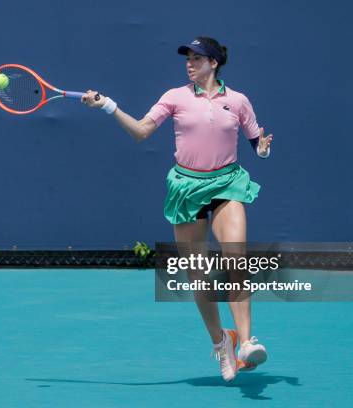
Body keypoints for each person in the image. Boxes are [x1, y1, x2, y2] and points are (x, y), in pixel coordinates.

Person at [81, 37, 273, 382]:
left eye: (197, 58)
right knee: (197, 273)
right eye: (187, 58)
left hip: (227, 183)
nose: (189, 63)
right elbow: (141, 131)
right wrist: (107, 105)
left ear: (214, 63)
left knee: (236, 257)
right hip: (186, 187)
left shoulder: (239, 101)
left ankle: (246, 341)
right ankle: (221, 343)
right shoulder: (174, 97)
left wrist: (262, 150)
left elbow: (255, 142)